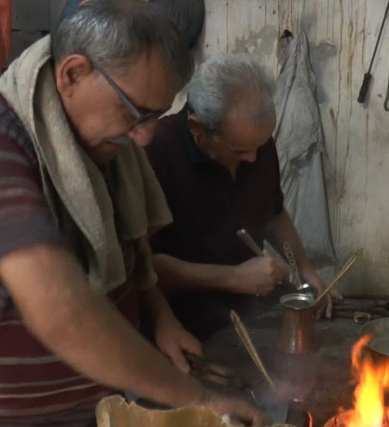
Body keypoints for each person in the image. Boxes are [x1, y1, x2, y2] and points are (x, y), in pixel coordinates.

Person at [0, 2, 264, 427]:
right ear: (72, 74)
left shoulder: (100, 144)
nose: (143, 137)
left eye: (154, 117)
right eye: (134, 111)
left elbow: (128, 253)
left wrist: (159, 315)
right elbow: (59, 311)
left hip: (101, 416)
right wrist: (198, 399)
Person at [145, 55, 341, 342]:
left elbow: (273, 213)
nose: (252, 158)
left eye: (259, 147)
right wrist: (233, 278)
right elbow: (144, 267)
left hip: (250, 317)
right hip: (180, 327)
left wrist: (305, 269)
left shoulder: (256, 143)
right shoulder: (156, 153)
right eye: (239, 151)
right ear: (197, 128)